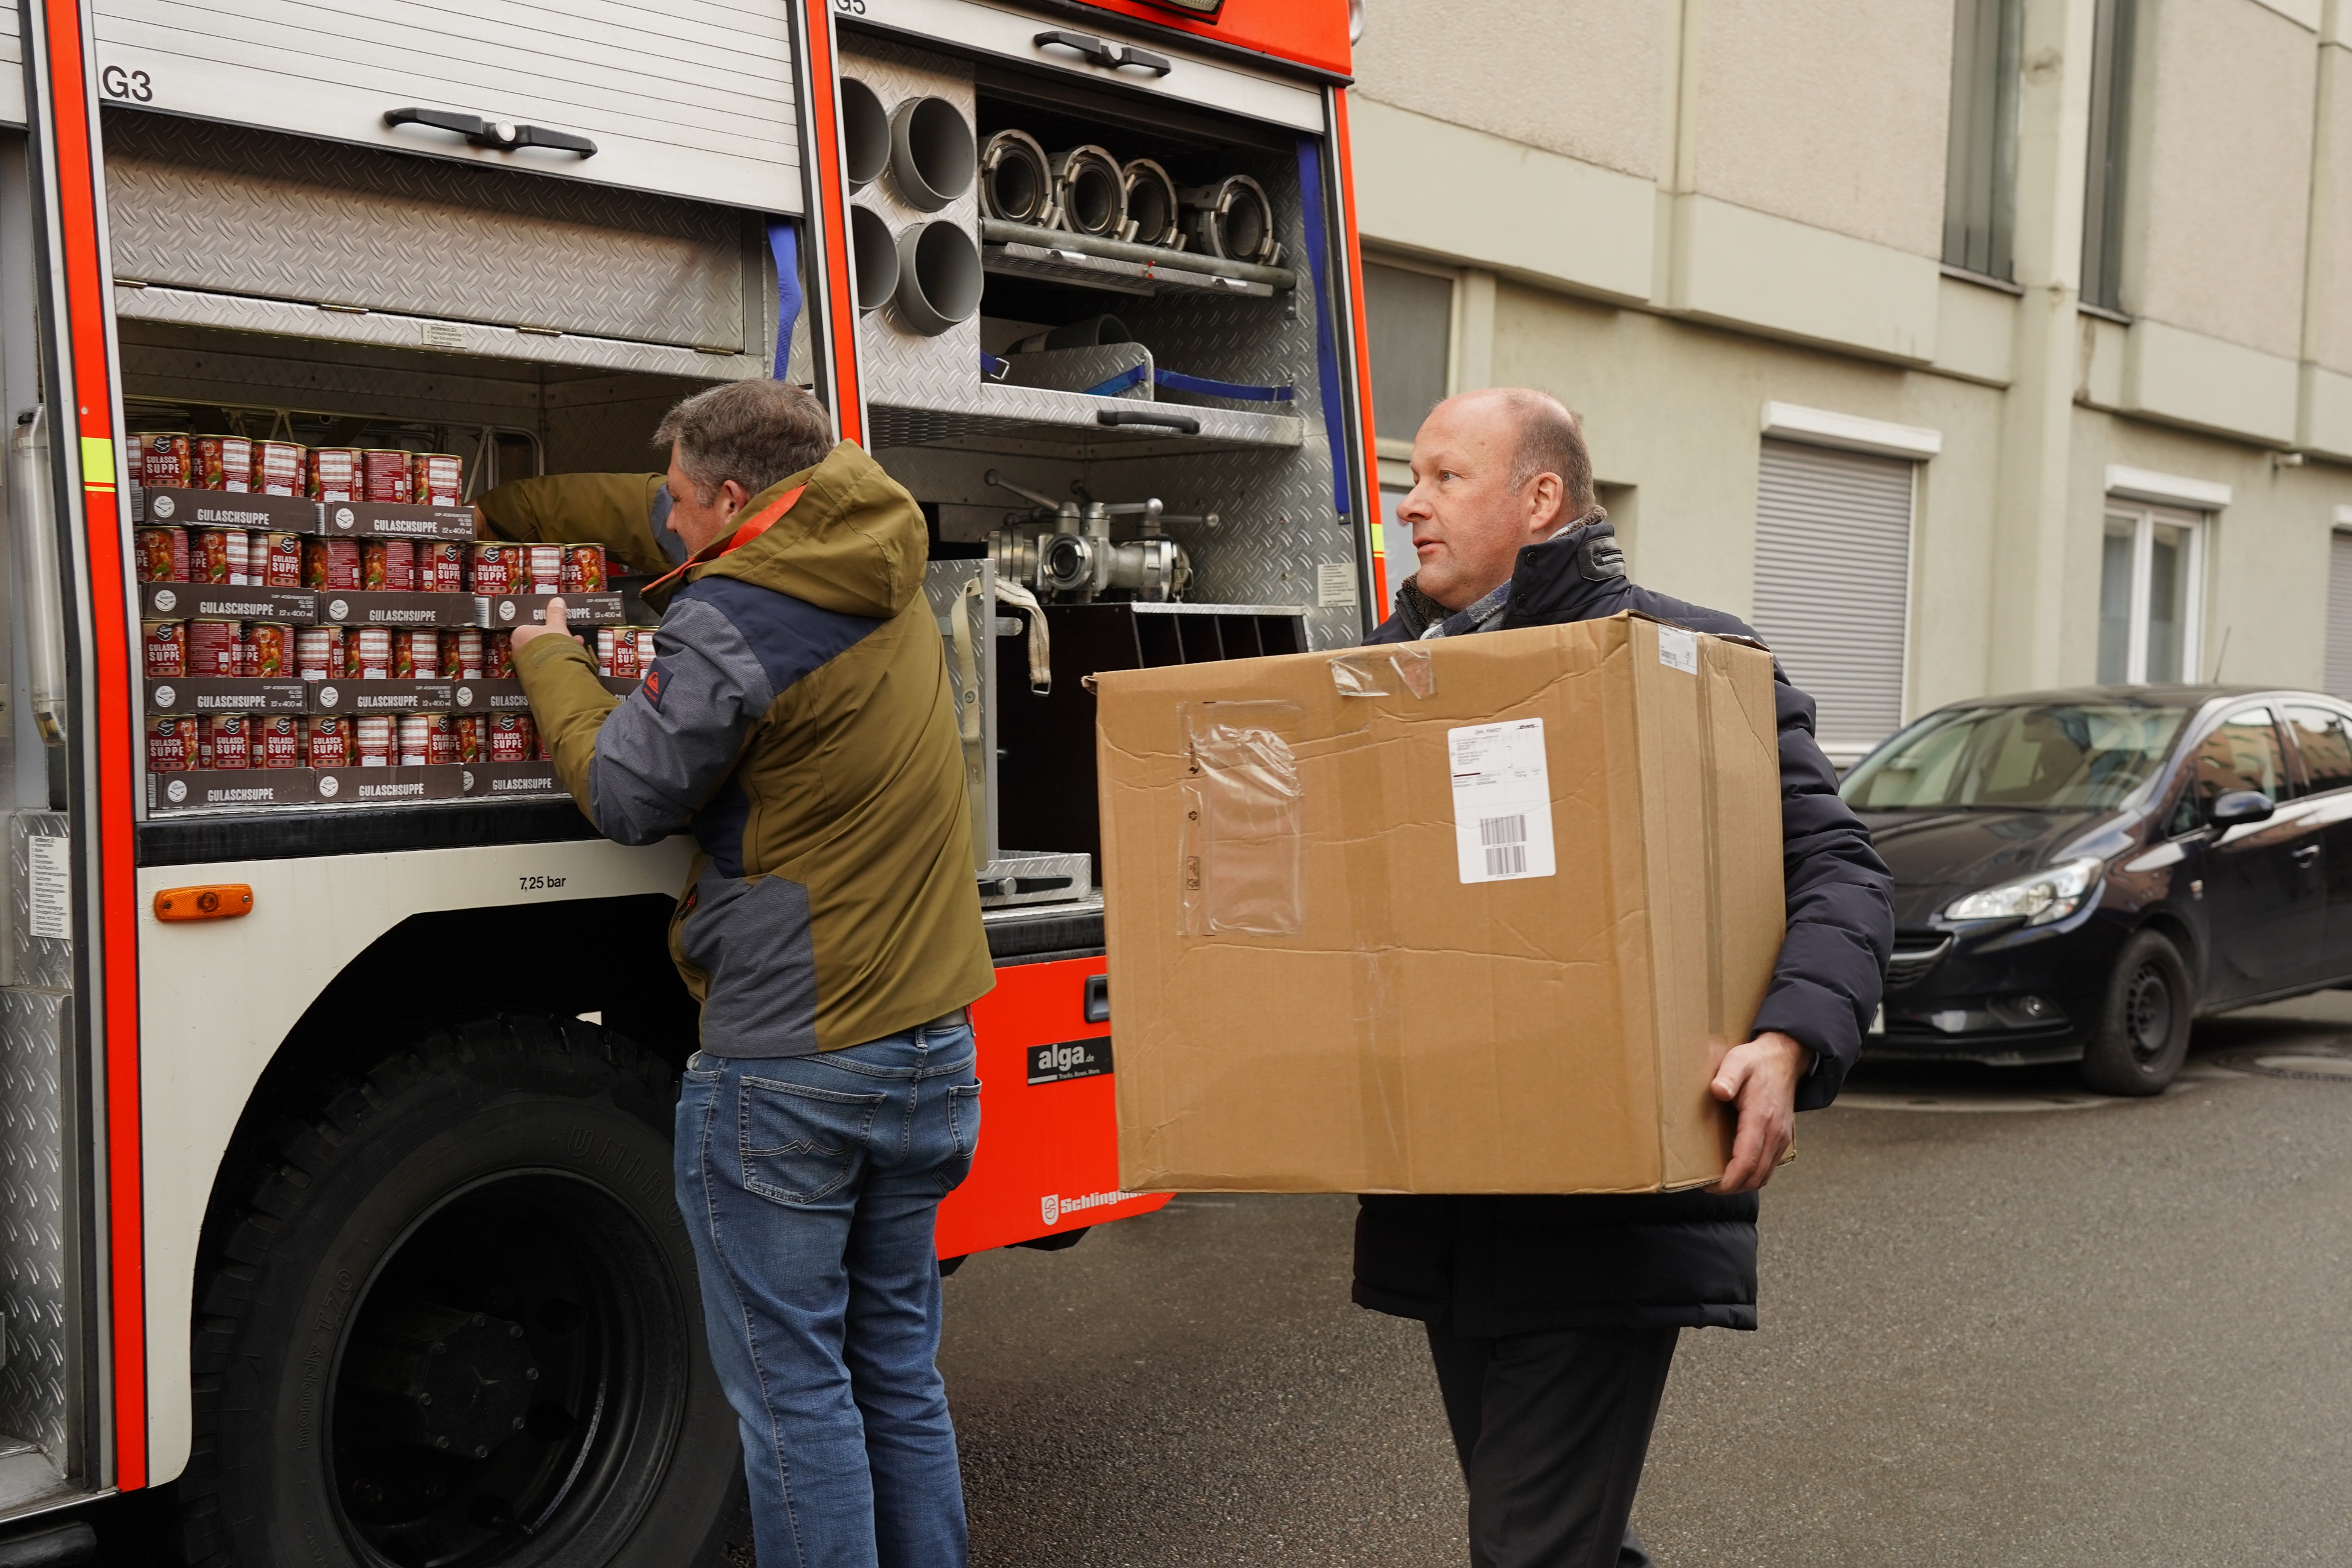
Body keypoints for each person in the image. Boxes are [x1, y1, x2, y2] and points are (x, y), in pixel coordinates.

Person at [1358, 388, 1892, 1568]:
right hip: (1447, 1196)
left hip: (1605, 1204)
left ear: (1537, 497)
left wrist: (1789, 1039)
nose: (1412, 501)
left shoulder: (1693, 665)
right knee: (1558, 1537)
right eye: (1416, 476)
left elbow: (1844, 875)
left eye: (1447, 476)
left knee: (1529, 1545)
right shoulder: (1383, 677)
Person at [500, 379, 995, 1568]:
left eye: (677, 501)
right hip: (930, 1045)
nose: (662, 523)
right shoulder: (867, 534)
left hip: (795, 1064)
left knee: (793, 1396)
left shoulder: (734, 619)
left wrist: (548, 665)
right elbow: (648, 505)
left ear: (733, 497)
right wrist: (501, 503)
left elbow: (628, 790)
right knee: (894, 1369)